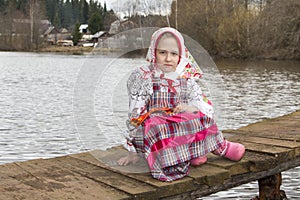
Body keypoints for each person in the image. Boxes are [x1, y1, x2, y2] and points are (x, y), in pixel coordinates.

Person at [117, 27, 245, 182]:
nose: (168, 58)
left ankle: (220, 148)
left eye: (173, 54)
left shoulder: (185, 78)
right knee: (155, 126)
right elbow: (135, 115)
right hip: (156, 130)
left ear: (180, 56)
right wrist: (132, 151)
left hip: (179, 127)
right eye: (162, 52)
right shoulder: (145, 78)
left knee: (198, 116)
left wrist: (191, 109)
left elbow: (203, 104)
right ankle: (188, 156)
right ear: (153, 52)